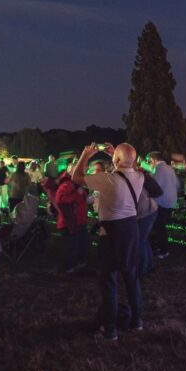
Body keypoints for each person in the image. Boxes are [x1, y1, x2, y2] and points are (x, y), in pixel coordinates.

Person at [72, 143, 161, 340]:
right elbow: (152, 187)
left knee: (109, 282)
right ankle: (137, 321)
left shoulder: (108, 179)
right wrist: (121, 158)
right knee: (131, 278)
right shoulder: (139, 176)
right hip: (131, 232)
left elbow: (76, 177)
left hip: (111, 235)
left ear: (116, 160)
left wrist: (85, 155)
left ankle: (110, 330)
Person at [54, 164, 90, 273]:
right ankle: (68, 269)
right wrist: (78, 196)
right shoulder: (67, 184)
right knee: (71, 247)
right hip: (69, 223)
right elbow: (60, 200)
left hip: (79, 221)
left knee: (81, 245)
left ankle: (78, 266)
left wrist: (85, 198)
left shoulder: (76, 184)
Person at [148, 152, 179, 259]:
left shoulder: (158, 168)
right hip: (171, 201)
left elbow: (154, 187)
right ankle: (158, 246)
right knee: (159, 226)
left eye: (149, 161)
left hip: (162, 202)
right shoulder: (170, 168)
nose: (149, 163)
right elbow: (177, 184)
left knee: (159, 227)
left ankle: (164, 251)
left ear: (153, 159)